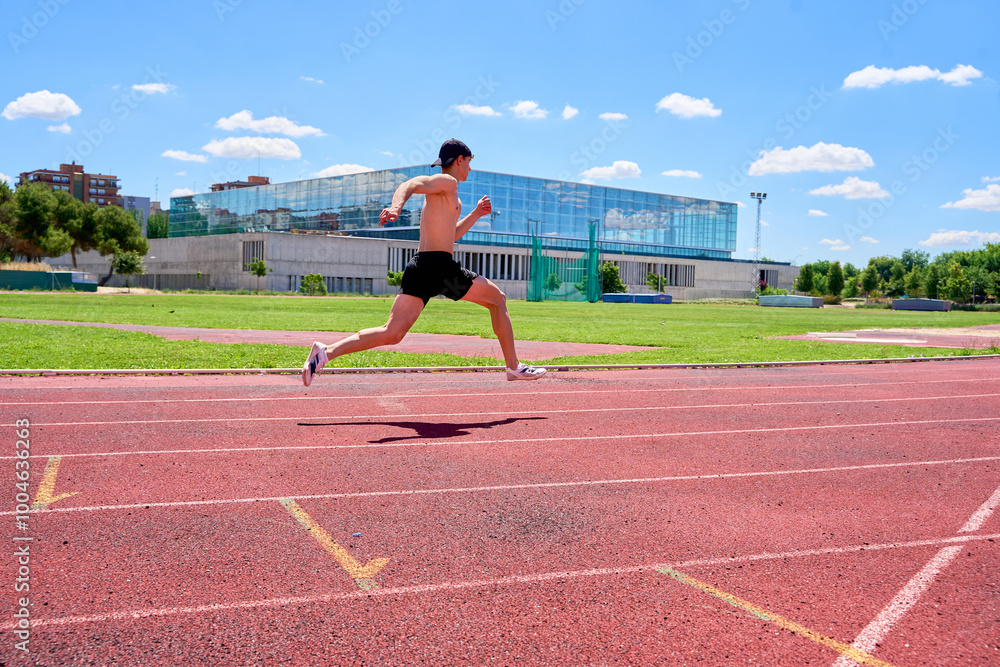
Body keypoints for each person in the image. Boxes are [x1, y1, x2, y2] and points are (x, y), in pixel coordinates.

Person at [302, 138, 546, 386]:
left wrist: (476, 213)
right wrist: (396, 208)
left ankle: (325, 352)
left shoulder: (451, 195)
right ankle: (513, 366)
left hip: (423, 269)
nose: (470, 169)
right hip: (439, 268)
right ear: (459, 160)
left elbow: (450, 236)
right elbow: (411, 183)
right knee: (498, 299)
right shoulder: (447, 182)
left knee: (392, 333)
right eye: (469, 162)